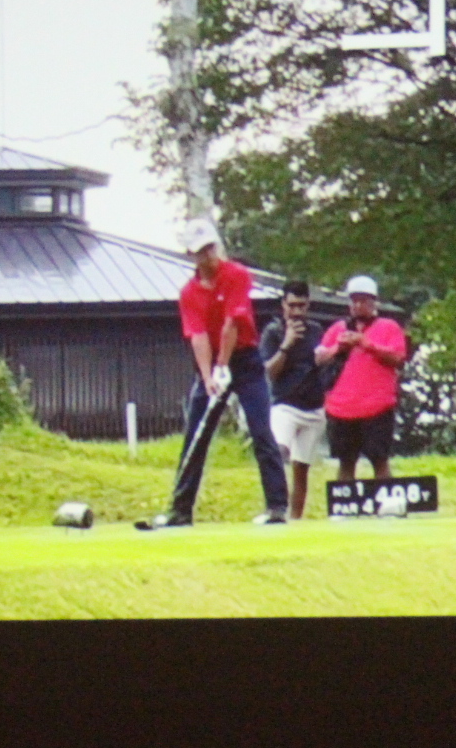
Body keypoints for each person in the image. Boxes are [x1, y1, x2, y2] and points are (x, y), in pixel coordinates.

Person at [140, 218, 291, 528]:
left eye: (210, 248)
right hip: (210, 365)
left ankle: (277, 507)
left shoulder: (236, 275)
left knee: (261, 431)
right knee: (196, 435)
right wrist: (209, 377)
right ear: (191, 254)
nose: (207, 256)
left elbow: (231, 324)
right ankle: (180, 510)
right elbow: (198, 336)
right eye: (200, 251)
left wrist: (223, 366)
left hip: (245, 361)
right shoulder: (189, 293)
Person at [317, 275, 409, 485]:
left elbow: (398, 358)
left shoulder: (389, 327)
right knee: (345, 462)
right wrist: (338, 348)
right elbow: (319, 358)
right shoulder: (338, 328)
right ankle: (345, 501)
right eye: (354, 301)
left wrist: (367, 344)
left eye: (363, 301)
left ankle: (385, 498)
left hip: (377, 406)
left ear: (373, 302)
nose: (358, 306)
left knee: (380, 460)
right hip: (341, 407)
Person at [262, 279, 328, 519]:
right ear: (283, 305)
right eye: (292, 306)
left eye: (302, 306)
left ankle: (295, 519)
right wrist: (286, 345)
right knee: (278, 452)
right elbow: (269, 372)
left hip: (313, 407)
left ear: (308, 305)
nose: (297, 312)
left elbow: (324, 364)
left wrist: (326, 359)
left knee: (302, 468)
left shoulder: (316, 331)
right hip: (285, 404)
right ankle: (275, 507)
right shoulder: (273, 332)